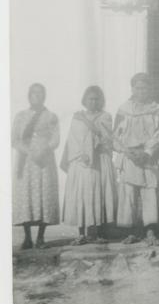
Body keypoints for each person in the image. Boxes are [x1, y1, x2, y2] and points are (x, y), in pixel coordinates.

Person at [113, 73, 159, 246]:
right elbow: (116, 136)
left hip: (148, 157)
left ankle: (150, 231)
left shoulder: (157, 109)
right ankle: (131, 232)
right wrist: (127, 152)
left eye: (144, 87)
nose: (140, 91)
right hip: (129, 156)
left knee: (150, 192)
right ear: (132, 89)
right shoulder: (124, 109)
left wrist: (147, 152)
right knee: (129, 194)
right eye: (137, 88)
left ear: (150, 89)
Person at [61, 85, 116, 245]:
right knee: (82, 195)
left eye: (96, 99)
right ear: (84, 100)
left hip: (99, 160)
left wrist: (87, 122)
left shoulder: (105, 116)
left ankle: (99, 232)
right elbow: (72, 139)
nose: (93, 102)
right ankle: (81, 233)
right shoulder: (76, 118)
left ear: (101, 101)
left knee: (98, 193)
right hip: (80, 161)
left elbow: (104, 136)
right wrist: (81, 154)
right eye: (90, 99)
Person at [12, 83, 60, 249]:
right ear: (29, 96)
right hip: (26, 162)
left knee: (43, 195)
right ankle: (27, 238)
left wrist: (44, 149)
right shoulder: (20, 116)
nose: (37, 97)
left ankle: (40, 237)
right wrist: (28, 151)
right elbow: (15, 139)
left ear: (44, 96)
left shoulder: (51, 116)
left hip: (44, 161)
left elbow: (55, 138)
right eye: (34, 94)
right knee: (27, 196)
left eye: (40, 94)